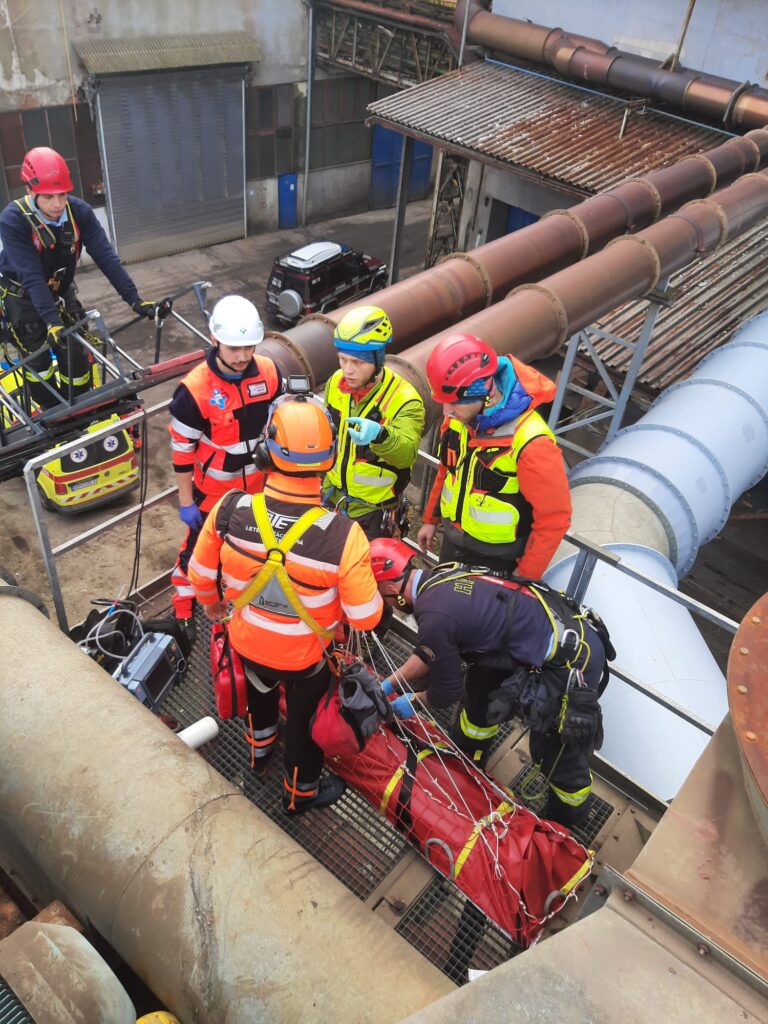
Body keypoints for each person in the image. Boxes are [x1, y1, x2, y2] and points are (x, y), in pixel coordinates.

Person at [187, 392, 384, 813]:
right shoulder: (344, 535)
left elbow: (201, 576)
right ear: (329, 457)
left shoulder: (229, 508)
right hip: (306, 660)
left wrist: (210, 606)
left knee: (260, 699)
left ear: (265, 453)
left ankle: (258, 757)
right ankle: (299, 796)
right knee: (304, 724)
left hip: (248, 644)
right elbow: (366, 618)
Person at [368, 538, 613, 827]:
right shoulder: (441, 576)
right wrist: (391, 683)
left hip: (573, 662)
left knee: (554, 750)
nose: (386, 604)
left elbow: (446, 691)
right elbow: (430, 650)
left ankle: (565, 821)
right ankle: (469, 759)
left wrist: (415, 702)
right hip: (549, 637)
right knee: (480, 697)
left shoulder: (434, 616)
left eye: (381, 597)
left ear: (391, 589)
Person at [0, 146, 168, 409]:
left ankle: (81, 406)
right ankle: (53, 414)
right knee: (38, 364)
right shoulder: (13, 220)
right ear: (30, 191)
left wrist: (134, 300)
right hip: (23, 299)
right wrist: (52, 322)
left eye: (63, 194)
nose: (57, 204)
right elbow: (31, 275)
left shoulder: (78, 212)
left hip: (60, 293)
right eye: (48, 197)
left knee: (77, 356)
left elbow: (106, 257)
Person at [168, 295, 281, 631]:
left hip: (258, 488)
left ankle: (240, 596)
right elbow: (182, 452)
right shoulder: (193, 391)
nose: (243, 357)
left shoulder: (270, 372)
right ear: (215, 340)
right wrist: (187, 502)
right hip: (212, 493)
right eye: (234, 348)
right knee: (196, 552)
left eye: (249, 347)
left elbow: (280, 420)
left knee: (250, 546)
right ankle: (184, 603)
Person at [417, 333, 571, 579]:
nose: (447, 411)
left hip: (497, 562)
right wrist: (431, 520)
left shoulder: (532, 442)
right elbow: (449, 471)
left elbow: (553, 518)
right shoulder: (459, 418)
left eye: (454, 402)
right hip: (453, 544)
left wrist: (524, 576)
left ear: (484, 391)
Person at [323, 304, 425, 539]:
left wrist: (380, 436)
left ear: (378, 358)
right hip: (332, 498)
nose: (347, 370)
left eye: (358, 362)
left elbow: (407, 453)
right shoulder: (335, 383)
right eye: (343, 359)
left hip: (372, 514)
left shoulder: (405, 399)